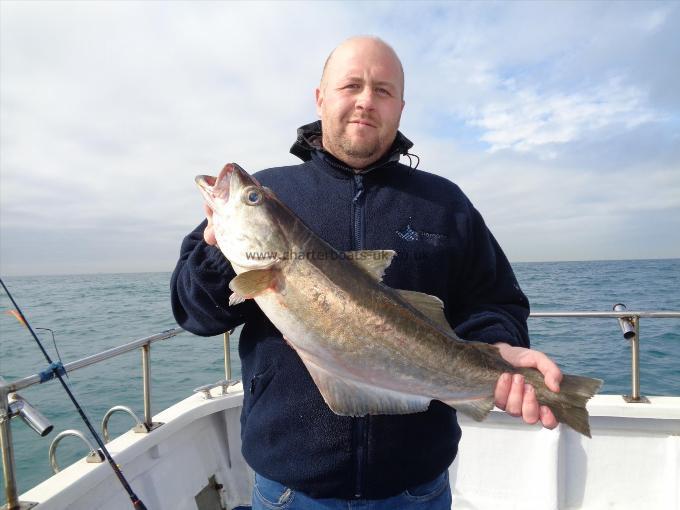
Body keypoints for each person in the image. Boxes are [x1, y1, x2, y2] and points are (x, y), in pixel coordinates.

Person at [171, 36, 562, 509]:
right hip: (290, 491)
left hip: (415, 488)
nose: (364, 101)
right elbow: (193, 313)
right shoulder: (273, 193)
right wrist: (222, 250)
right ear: (320, 97)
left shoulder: (446, 204)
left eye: (382, 90)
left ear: (400, 105)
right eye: (350, 85)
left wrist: (496, 347)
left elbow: (494, 300)